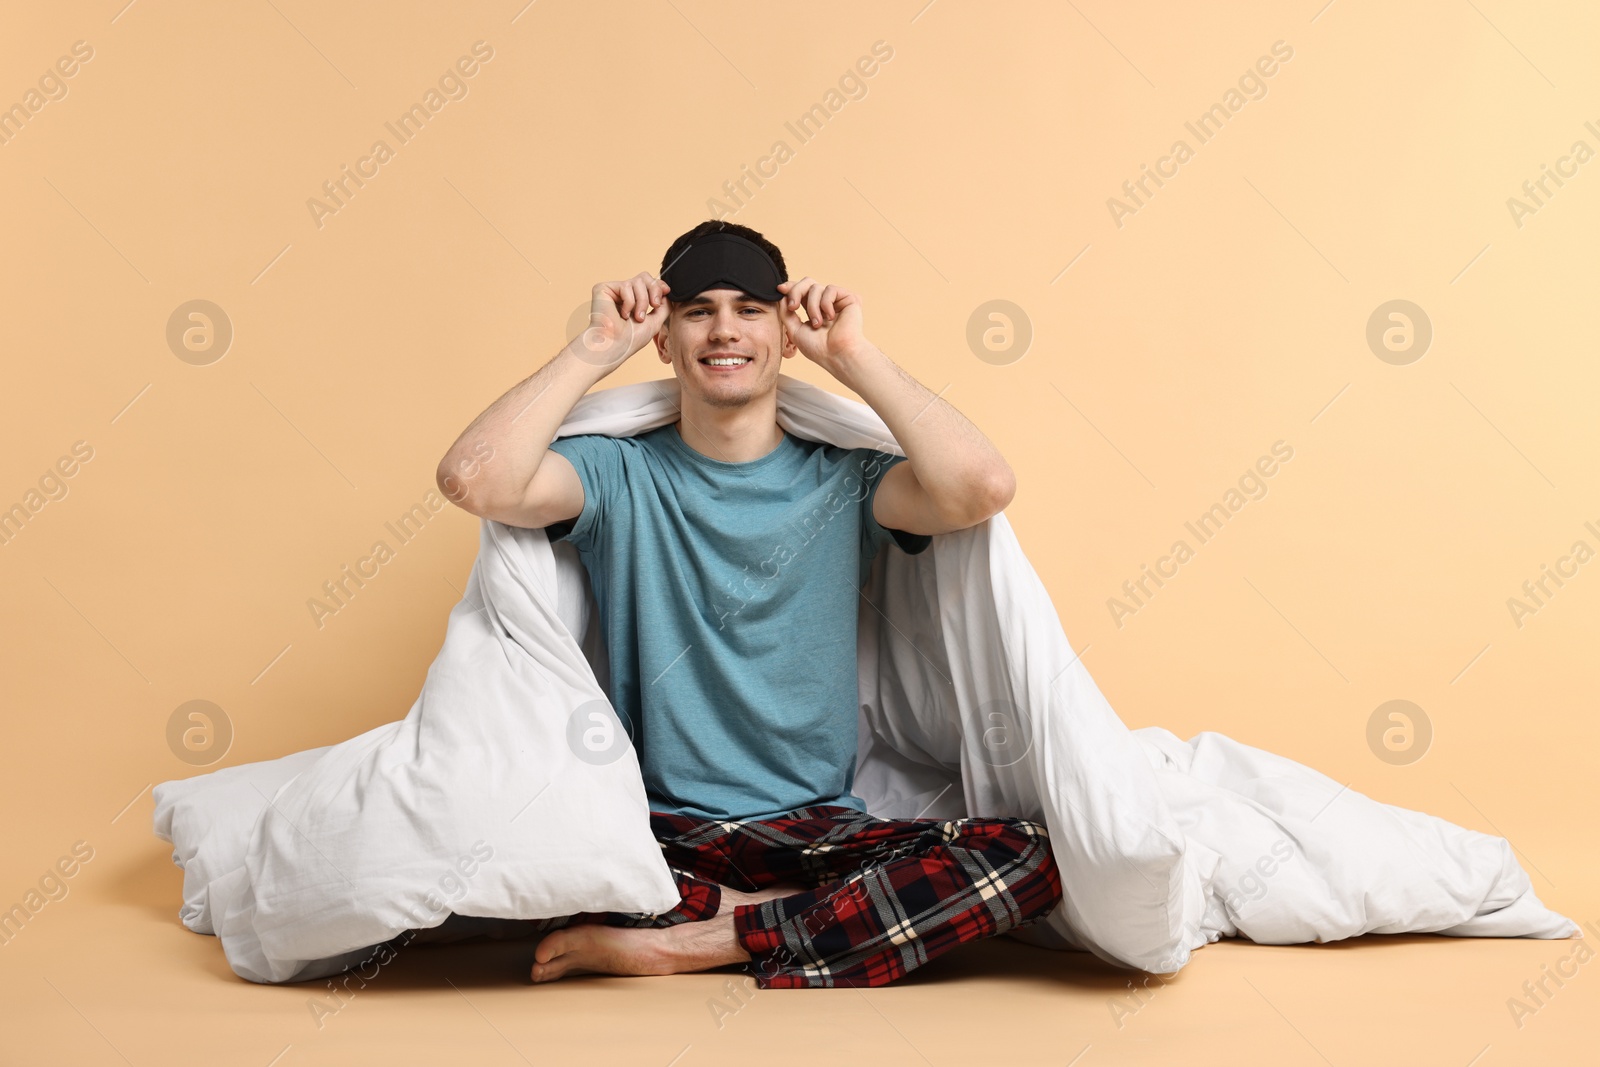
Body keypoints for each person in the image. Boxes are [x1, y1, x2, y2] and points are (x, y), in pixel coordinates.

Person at [435, 220, 1062, 988]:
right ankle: (799, 919)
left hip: (816, 826)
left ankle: (704, 938)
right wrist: (594, 347)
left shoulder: (847, 481)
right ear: (664, 339)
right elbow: (475, 478)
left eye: (749, 308)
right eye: (697, 310)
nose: (724, 328)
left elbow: (982, 488)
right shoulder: (617, 474)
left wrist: (855, 357)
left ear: (784, 332)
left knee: (1025, 854)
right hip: (658, 831)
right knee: (512, 842)